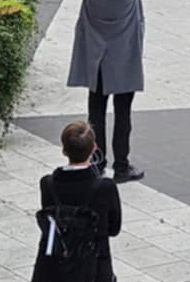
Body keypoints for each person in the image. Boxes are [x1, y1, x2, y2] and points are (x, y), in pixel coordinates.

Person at [67, 0, 163, 182]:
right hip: (123, 58)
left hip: (96, 58)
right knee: (123, 114)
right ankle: (122, 166)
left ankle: (96, 162)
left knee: (95, 113)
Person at [33, 120, 123, 282]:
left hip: (55, 263)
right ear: (94, 148)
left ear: (64, 150)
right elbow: (114, 228)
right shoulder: (105, 187)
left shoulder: (48, 184)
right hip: (95, 266)